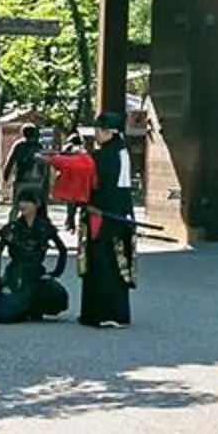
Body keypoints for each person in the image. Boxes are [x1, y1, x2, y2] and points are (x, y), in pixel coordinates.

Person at [79, 118, 134, 329]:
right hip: (119, 214)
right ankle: (111, 312)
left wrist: (93, 204)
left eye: (98, 130)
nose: (96, 134)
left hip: (106, 215)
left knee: (103, 262)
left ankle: (102, 312)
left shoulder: (107, 156)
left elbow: (105, 185)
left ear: (108, 131)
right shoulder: (121, 151)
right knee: (114, 261)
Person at [0, 197, 69, 323]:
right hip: (16, 275)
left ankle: (34, 307)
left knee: (58, 296)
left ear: (36, 205)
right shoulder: (13, 228)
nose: (22, 205)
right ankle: (24, 308)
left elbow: (62, 250)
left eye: (27, 201)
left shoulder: (44, 227)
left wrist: (54, 273)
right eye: (21, 202)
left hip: (37, 274)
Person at [45, 133, 96, 236]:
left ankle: (70, 223)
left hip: (72, 181)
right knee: (84, 206)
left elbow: (60, 162)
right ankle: (82, 226)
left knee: (71, 204)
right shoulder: (85, 151)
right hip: (84, 183)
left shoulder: (68, 149)